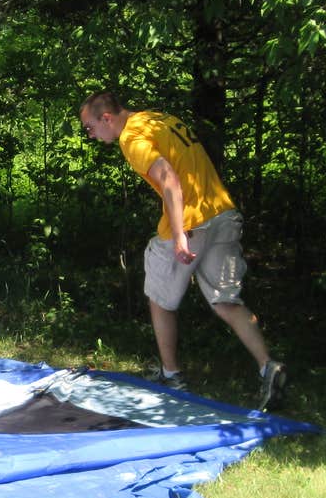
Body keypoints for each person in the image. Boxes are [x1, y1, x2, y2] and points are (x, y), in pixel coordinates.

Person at [78, 90, 287, 410]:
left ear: (106, 118)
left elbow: (171, 181)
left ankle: (171, 375)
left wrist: (178, 235)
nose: (91, 136)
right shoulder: (157, 119)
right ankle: (267, 367)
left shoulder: (132, 138)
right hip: (222, 213)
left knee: (161, 299)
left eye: (90, 128)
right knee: (226, 301)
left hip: (190, 221)